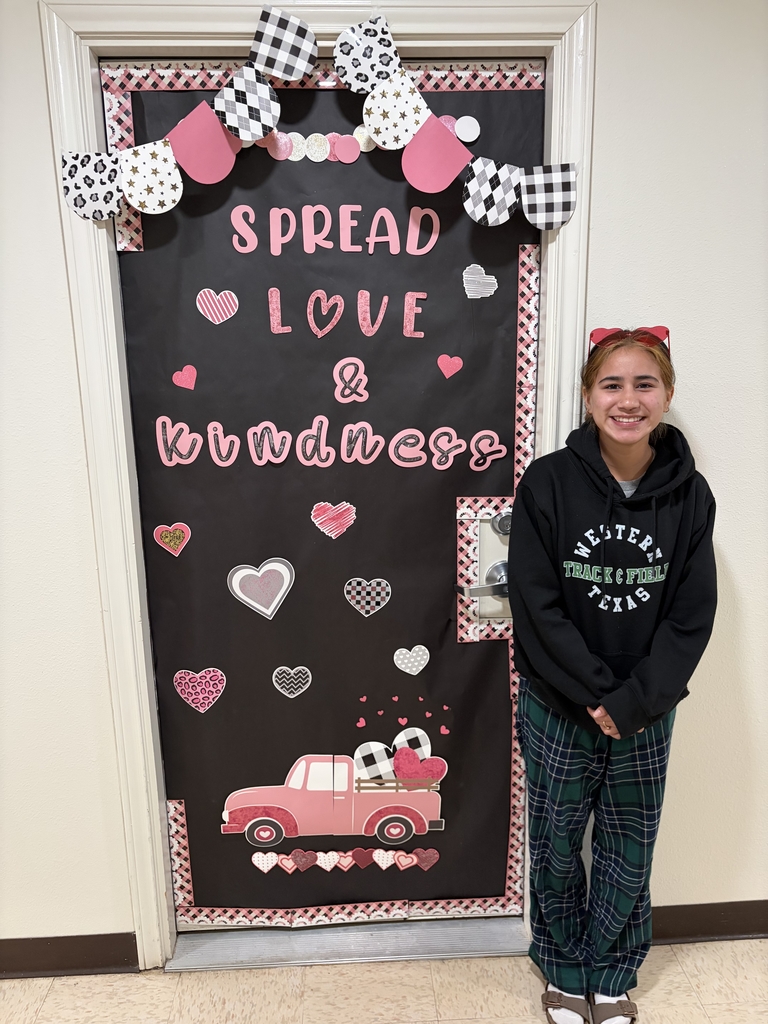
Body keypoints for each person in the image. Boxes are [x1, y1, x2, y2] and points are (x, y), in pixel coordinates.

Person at [508, 328, 717, 1024]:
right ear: (588, 395)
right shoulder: (546, 483)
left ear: (668, 393)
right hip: (559, 702)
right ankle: (564, 970)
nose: (628, 400)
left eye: (644, 384)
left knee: (631, 840)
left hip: (646, 707)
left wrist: (634, 700)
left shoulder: (690, 496)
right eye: (612, 384)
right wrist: (596, 693)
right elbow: (536, 606)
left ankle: (613, 974)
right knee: (558, 839)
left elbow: (690, 615)